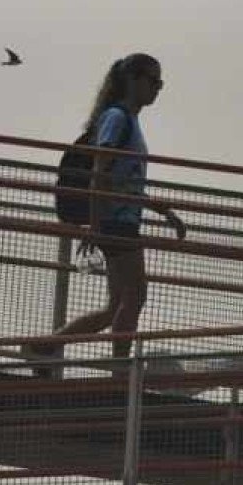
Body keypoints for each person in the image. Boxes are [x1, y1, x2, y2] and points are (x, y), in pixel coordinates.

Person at [30, 52, 186, 368]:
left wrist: (160, 210)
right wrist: (98, 224)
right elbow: (100, 169)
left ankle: (43, 348)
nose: (157, 88)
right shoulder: (118, 119)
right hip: (117, 223)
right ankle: (118, 373)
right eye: (153, 80)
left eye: (160, 83)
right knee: (135, 297)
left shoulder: (127, 120)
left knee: (114, 306)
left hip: (118, 219)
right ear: (133, 80)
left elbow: (122, 181)